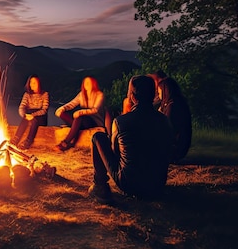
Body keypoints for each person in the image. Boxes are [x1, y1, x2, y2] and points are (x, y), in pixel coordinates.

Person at [89, 75, 173, 203]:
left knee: (98, 137)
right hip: (157, 185)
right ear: (153, 96)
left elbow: (115, 151)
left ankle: (100, 186)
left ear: (132, 97)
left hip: (130, 184)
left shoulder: (121, 121)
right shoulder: (164, 120)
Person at [54, 76, 105, 152]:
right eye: (85, 82)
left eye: (88, 82)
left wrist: (80, 112)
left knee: (79, 117)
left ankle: (65, 143)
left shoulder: (99, 95)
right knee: (62, 113)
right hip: (83, 121)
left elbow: (95, 110)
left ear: (93, 83)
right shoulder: (82, 94)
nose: (86, 84)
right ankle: (75, 128)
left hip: (94, 121)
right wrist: (62, 109)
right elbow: (72, 104)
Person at [9, 74, 49, 150]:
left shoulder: (45, 94)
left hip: (40, 117)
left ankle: (28, 141)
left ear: (39, 83)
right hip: (29, 116)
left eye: (34, 83)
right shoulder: (27, 95)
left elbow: (44, 110)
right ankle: (15, 140)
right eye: (30, 82)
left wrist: (33, 115)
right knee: (25, 117)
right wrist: (24, 115)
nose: (32, 85)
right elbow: (21, 107)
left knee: (34, 120)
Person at [158, 77, 192, 163]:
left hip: (175, 148)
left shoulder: (173, 106)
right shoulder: (171, 103)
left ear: (165, 90)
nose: (158, 95)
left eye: (159, 92)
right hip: (177, 146)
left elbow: (168, 130)